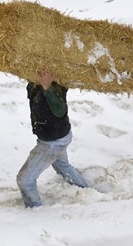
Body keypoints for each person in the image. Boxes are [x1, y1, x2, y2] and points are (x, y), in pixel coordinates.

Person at [17, 70, 89, 208]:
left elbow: (60, 110)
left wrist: (47, 88)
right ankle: (87, 190)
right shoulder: (37, 79)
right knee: (62, 166)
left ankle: (35, 211)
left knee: (25, 180)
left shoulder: (55, 83)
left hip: (52, 142)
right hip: (59, 136)